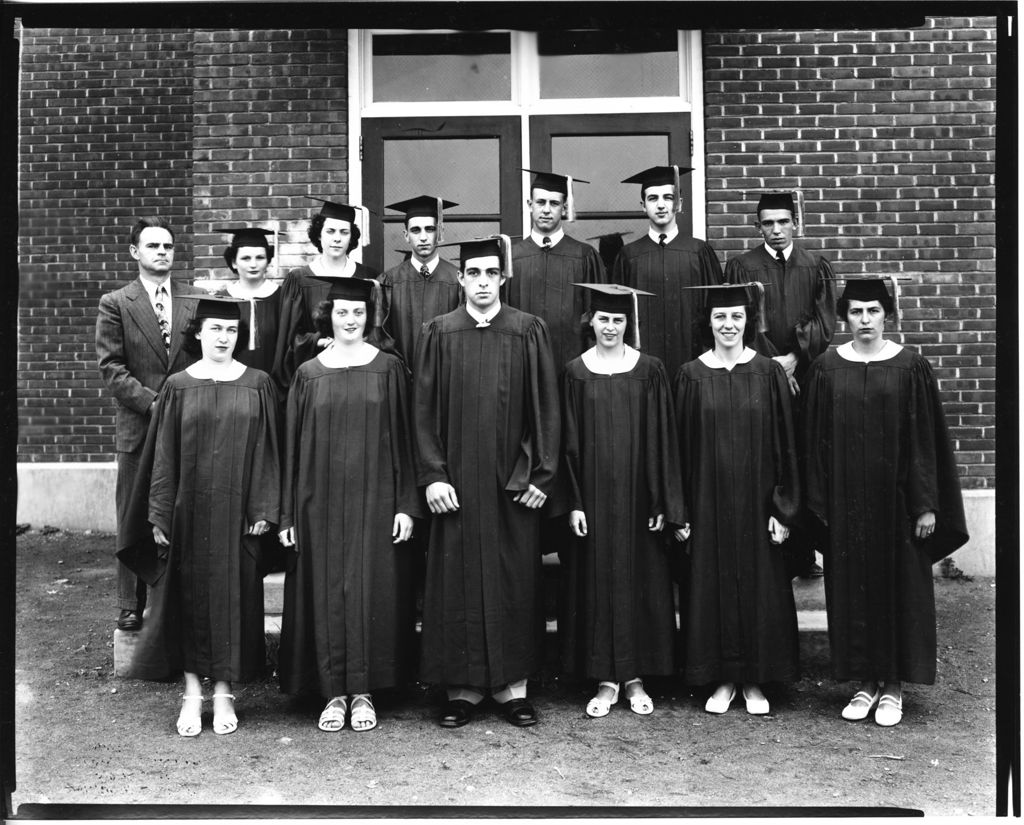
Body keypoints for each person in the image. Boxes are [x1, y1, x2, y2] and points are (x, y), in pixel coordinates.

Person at [803, 276, 968, 727]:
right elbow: (814, 442)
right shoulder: (826, 367)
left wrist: (927, 504)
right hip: (847, 505)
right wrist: (819, 508)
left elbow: (925, 441)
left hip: (897, 507)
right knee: (853, 591)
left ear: (887, 314)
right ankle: (864, 682)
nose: (864, 320)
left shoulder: (909, 366)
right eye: (855, 311)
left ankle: (893, 684)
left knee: (898, 590)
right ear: (844, 316)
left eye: (873, 311)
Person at [116, 295, 281, 736]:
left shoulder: (258, 383)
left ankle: (225, 692)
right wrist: (159, 514)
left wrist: (264, 506)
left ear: (238, 336)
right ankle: (192, 693)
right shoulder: (177, 385)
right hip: (187, 513)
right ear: (199, 334)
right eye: (215, 329)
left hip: (237, 515)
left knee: (234, 599)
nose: (223, 337)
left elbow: (269, 449)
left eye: (230, 330)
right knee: (187, 599)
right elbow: (163, 456)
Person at [414, 235, 560, 729]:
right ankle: (463, 689)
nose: (481, 282)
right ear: (460, 279)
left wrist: (541, 472)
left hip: (510, 483)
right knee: (455, 580)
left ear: (503, 278)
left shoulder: (527, 330)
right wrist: (433, 476)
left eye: (489, 274)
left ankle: (512, 688)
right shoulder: (438, 331)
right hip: (455, 483)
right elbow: (424, 412)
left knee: (513, 578)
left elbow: (546, 406)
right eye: (472, 273)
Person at [277, 278, 422, 733]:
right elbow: (292, 450)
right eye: (342, 313)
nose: (351, 320)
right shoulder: (308, 373)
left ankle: (364, 693)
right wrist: (287, 514)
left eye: (358, 313)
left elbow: (404, 440)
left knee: (370, 591)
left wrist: (405, 504)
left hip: (376, 500)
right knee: (325, 592)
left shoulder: (389, 369)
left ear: (369, 317)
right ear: (328, 317)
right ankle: (332, 695)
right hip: (316, 503)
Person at [673, 283, 801, 716]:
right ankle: (723, 680)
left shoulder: (767, 373)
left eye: (737, 317)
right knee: (711, 587)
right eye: (720, 318)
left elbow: (787, 445)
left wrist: (783, 508)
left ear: (749, 321)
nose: (729, 325)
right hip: (707, 507)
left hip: (757, 505)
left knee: (758, 587)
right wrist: (682, 511)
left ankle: (755, 681)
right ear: (708, 323)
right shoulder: (691, 375)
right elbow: (678, 449)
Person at [559, 283, 686, 718]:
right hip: (592, 502)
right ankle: (605, 679)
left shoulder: (649, 370)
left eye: (617, 320)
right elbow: (567, 446)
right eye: (603, 319)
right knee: (597, 584)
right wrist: (572, 502)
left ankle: (634, 678)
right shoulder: (574, 372)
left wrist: (661, 502)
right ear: (589, 322)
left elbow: (663, 440)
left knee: (639, 584)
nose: (610, 326)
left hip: (638, 502)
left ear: (627, 323)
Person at [97, 216, 205, 632]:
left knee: (184, 508)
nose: (162, 253)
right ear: (135, 252)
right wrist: (153, 403)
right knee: (134, 511)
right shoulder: (116, 303)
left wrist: (186, 404)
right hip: (140, 426)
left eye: (168, 247)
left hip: (188, 422)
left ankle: (182, 601)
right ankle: (130, 602)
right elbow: (111, 366)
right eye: (154, 246)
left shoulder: (194, 298)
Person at [724, 191, 836, 579]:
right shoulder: (741, 266)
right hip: (759, 373)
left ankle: (805, 554)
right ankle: (771, 553)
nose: (776, 229)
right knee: (768, 458)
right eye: (767, 223)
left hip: (803, 378)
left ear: (795, 223)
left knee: (802, 458)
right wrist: (772, 363)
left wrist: (792, 360)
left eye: (782, 221)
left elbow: (825, 321)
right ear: (757, 227)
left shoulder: (815, 265)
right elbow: (741, 322)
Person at [611, 165, 723, 381]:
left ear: (679, 203)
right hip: (641, 361)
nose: (661, 205)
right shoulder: (628, 256)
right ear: (643, 206)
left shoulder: (700, 251)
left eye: (668, 197)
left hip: (693, 358)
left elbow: (716, 309)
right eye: (653, 198)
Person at [505, 170, 605, 373]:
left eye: (554, 203)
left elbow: (597, 318)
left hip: (573, 365)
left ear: (565, 207)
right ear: (529, 205)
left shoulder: (584, 256)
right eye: (540, 202)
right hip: (523, 365)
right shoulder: (511, 257)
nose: (546, 210)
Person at [272, 197, 379, 387]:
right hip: (315, 378)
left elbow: (378, 331)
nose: (337, 238)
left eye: (344, 232)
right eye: (330, 231)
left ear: (351, 237)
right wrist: (319, 341)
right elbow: (289, 339)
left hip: (360, 374)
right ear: (319, 235)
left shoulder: (369, 278)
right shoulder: (298, 280)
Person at [378, 195, 462, 365]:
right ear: (406, 235)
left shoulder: (458, 280)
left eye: (430, 229)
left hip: (445, 378)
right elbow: (380, 338)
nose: (423, 237)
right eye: (415, 230)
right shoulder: (388, 282)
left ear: (440, 233)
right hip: (401, 379)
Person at [217, 226, 284, 382]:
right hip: (231, 386)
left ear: (268, 260)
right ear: (234, 262)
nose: (253, 264)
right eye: (246, 258)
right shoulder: (222, 300)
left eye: (260, 257)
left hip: (274, 386)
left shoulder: (283, 298)